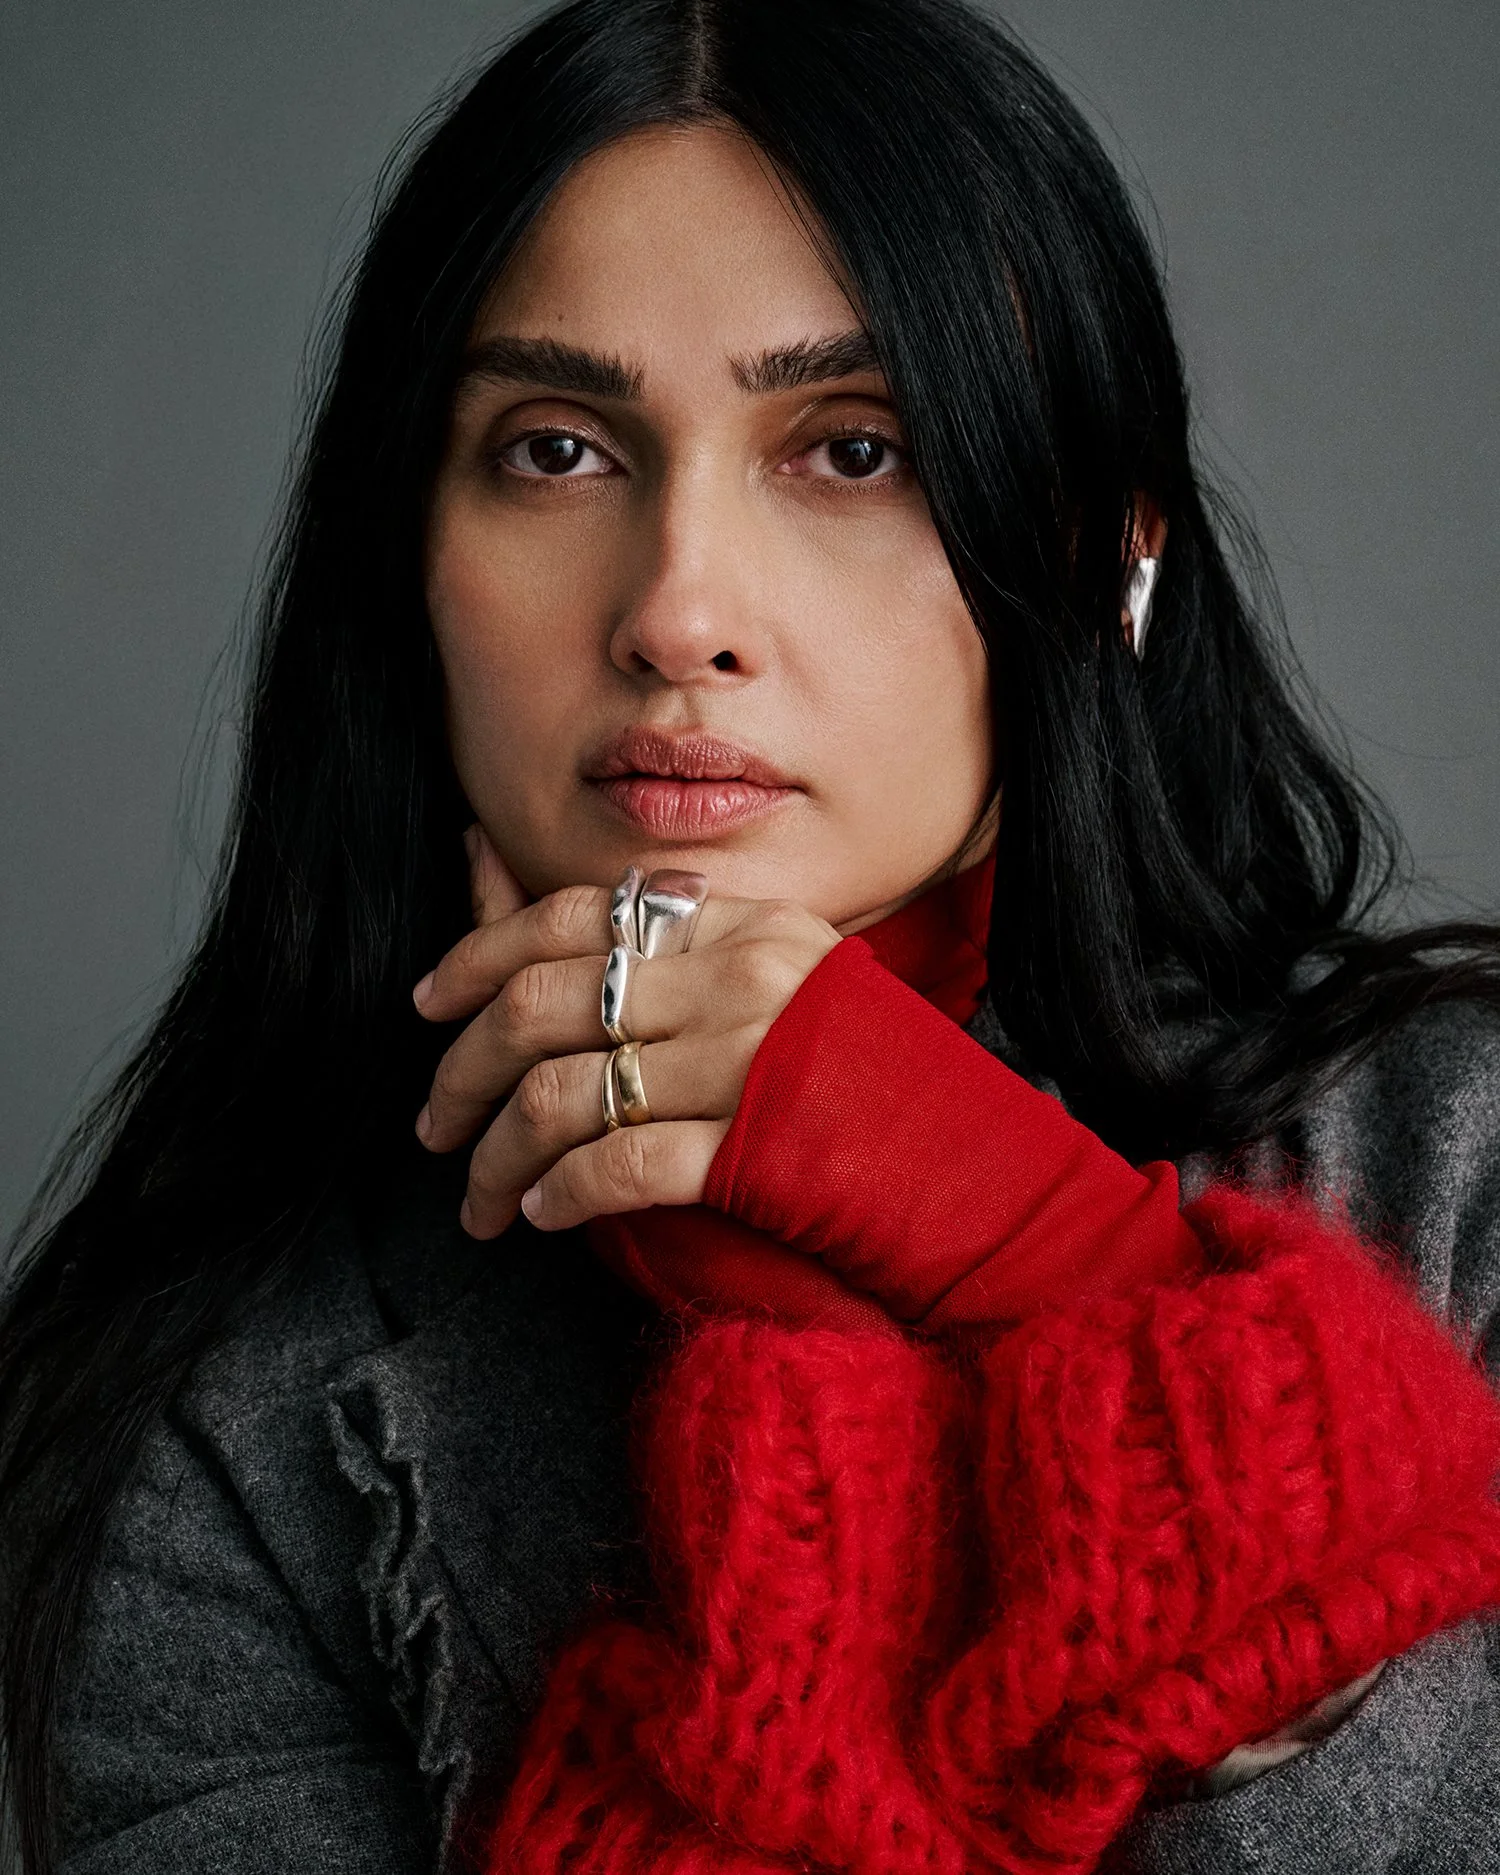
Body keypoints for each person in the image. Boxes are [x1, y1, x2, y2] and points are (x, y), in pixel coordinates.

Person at [3, 0, 1499, 1870]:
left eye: (854, 449)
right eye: (557, 450)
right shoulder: (230, 1426)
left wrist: (1033, 1249)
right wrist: (781, 1334)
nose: (678, 609)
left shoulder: (1463, 1176)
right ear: (407, 565)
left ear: (1109, 557)